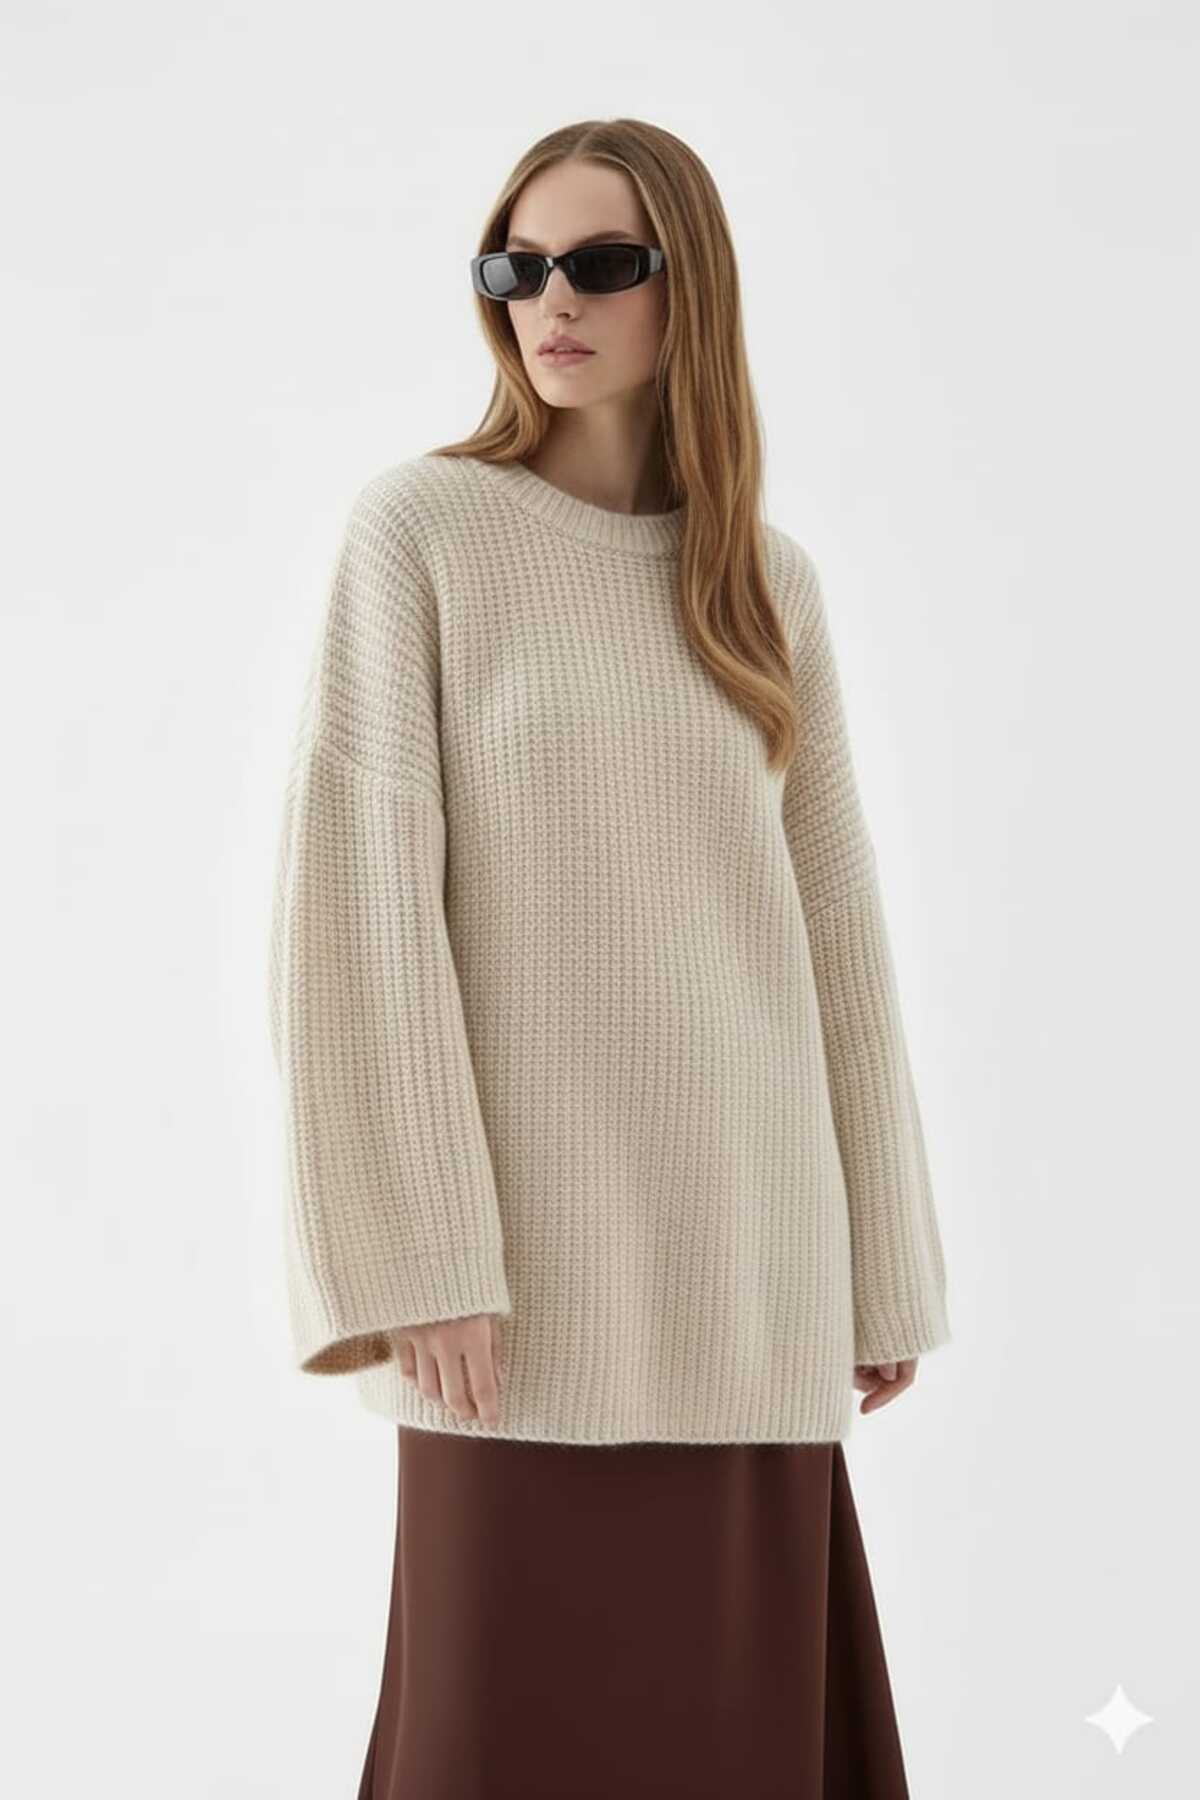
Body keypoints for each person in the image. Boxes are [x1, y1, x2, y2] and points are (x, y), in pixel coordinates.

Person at [268, 116, 952, 1800]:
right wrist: (421, 1247)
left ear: (686, 286)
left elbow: (835, 934)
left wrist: (883, 1267)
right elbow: (360, 905)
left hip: (750, 1275)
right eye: (516, 266)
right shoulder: (424, 533)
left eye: (600, 263)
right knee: (493, 1744)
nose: (549, 301)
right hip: (521, 1298)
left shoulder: (765, 583)